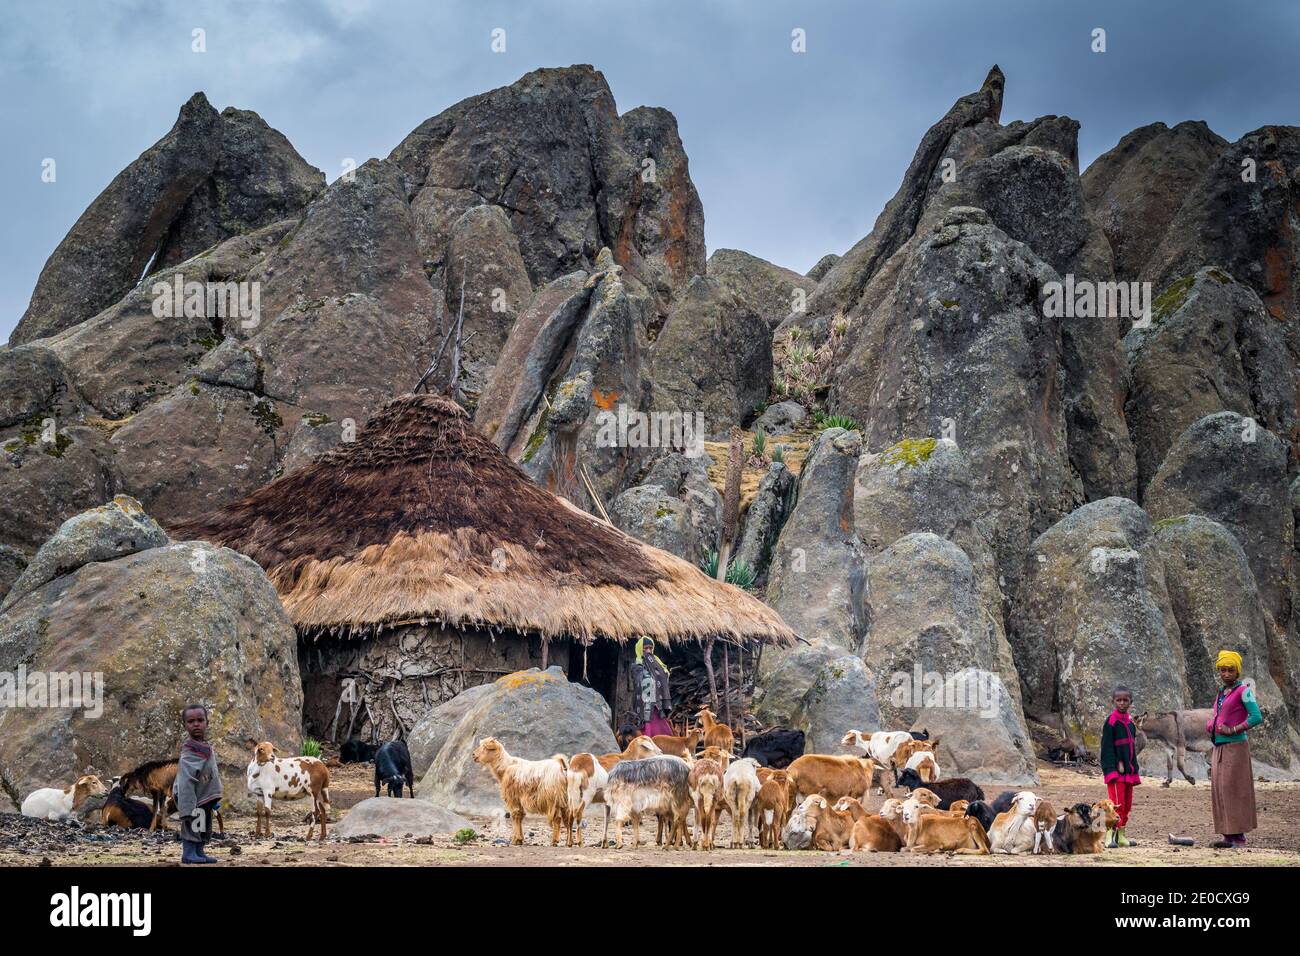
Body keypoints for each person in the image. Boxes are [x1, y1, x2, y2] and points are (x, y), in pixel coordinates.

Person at [1207, 650, 1262, 849]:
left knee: (1234, 789)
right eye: (1223, 670)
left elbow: (1256, 716)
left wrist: (1233, 729)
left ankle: (1239, 837)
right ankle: (1227, 835)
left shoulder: (1244, 690)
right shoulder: (1221, 692)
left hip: (1236, 747)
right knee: (1220, 789)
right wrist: (1212, 724)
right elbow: (1220, 714)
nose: (1226, 674)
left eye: (1230, 670)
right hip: (1219, 747)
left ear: (1237, 671)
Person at [174, 703, 222, 864]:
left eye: (200, 720)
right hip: (193, 797)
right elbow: (186, 778)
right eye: (191, 721)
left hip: (204, 797)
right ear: (185, 725)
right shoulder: (190, 748)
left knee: (203, 825)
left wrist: (213, 798)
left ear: (207, 723)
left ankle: (199, 852)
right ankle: (189, 853)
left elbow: (209, 773)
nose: (196, 724)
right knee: (192, 825)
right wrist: (187, 805)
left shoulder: (204, 746)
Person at [1099, 685, 1140, 847]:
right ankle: (1109, 836)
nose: (1122, 703)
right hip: (1116, 773)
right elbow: (1107, 749)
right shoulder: (1111, 722)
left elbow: (1132, 749)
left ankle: (1120, 835)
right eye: (1119, 700)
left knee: (1127, 805)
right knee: (1115, 805)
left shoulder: (1130, 723)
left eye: (1125, 700)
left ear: (1130, 702)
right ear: (1113, 701)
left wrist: (1134, 769)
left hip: (1128, 772)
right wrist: (1111, 769)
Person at [630, 637, 673, 738]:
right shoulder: (637, 664)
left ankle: (664, 743)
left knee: (660, 721)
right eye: (645, 648)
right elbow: (640, 681)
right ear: (640, 649)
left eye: (650, 648)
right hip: (645, 701)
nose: (648, 651)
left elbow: (663, 675)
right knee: (647, 722)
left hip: (657, 701)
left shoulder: (657, 662)